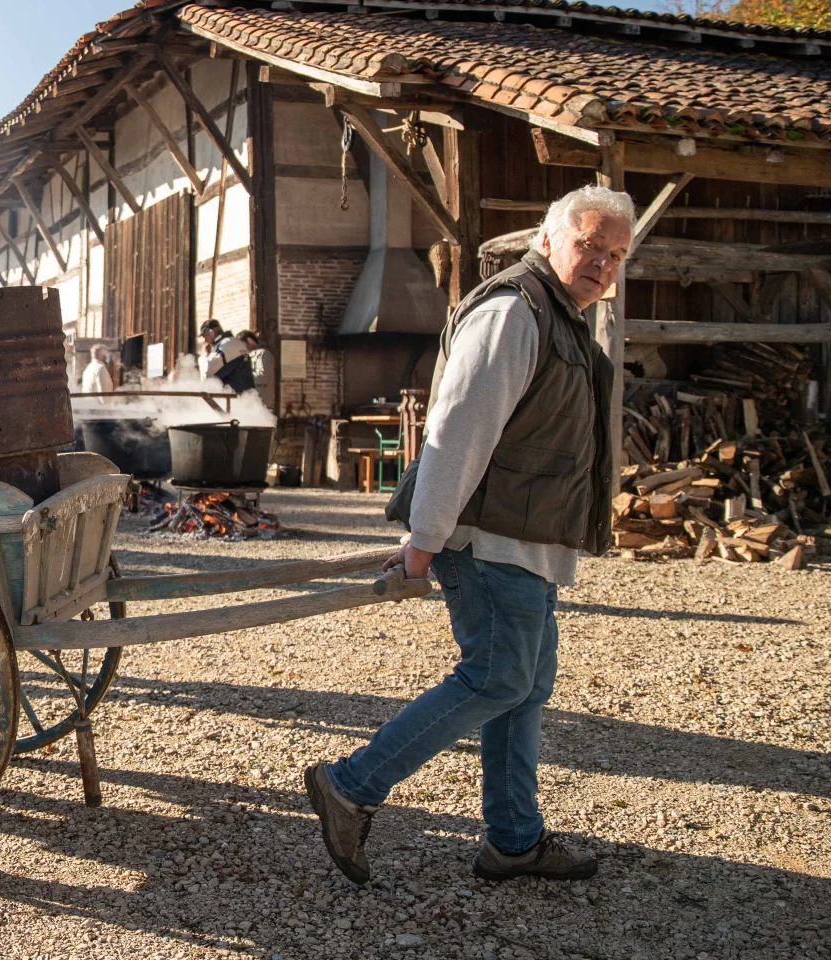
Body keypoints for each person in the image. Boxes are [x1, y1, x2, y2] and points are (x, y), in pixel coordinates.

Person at [304, 184, 631, 886]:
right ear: (548, 238)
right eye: (589, 244)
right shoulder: (517, 309)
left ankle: (513, 841)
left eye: (615, 254)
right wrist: (423, 543)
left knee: (524, 686)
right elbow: (457, 435)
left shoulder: (564, 316)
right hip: (487, 542)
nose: (601, 263)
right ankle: (351, 785)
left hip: (529, 543)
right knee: (497, 677)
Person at [196, 320, 254, 393]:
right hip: (245, 396)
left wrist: (204, 355)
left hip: (234, 397)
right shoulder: (234, 342)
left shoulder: (224, 345)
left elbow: (207, 372)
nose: (205, 341)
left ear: (211, 333)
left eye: (205, 337)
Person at [238, 330, 274, 402]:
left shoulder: (263, 354)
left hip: (262, 402)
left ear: (249, 340)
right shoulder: (246, 356)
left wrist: (243, 377)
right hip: (251, 401)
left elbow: (264, 376)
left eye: (241, 344)